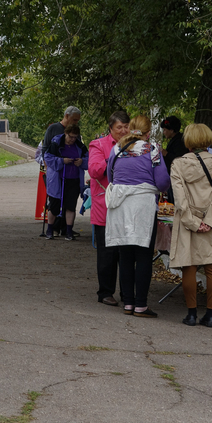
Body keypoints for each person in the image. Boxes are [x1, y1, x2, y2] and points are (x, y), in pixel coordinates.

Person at [105, 114, 170, 317]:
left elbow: (110, 176)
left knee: (125, 255)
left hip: (120, 205)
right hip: (142, 206)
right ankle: (141, 305)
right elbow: (162, 182)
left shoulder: (117, 149)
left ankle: (128, 304)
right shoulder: (153, 151)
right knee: (143, 255)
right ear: (148, 132)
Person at [168, 123, 212, 328]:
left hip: (189, 221)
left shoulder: (178, 164)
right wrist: (210, 221)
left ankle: (192, 314)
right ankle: (211, 315)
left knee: (190, 266)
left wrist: (193, 222)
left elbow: (179, 199)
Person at [88, 110, 130, 306]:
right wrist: (114, 156)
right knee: (107, 253)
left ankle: (128, 293)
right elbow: (95, 170)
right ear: (110, 128)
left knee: (126, 252)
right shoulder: (98, 145)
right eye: (119, 127)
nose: (123, 131)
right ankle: (105, 292)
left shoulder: (135, 145)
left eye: (126, 127)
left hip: (128, 206)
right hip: (104, 205)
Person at [41, 106, 82, 238]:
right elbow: (45, 149)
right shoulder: (53, 129)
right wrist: (49, 167)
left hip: (71, 173)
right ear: (66, 116)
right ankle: (54, 228)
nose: (76, 122)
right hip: (56, 172)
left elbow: (81, 150)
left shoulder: (76, 133)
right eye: (74, 120)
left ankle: (66, 228)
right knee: (55, 201)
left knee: (69, 202)